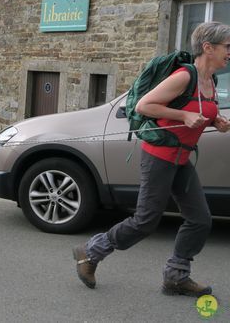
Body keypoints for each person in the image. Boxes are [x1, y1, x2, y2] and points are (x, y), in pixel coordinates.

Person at [73, 21, 230, 297]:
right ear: (209, 48)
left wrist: (213, 121)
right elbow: (146, 105)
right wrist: (184, 116)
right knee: (145, 221)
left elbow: (194, 112)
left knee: (200, 219)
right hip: (159, 158)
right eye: (227, 47)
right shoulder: (185, 76)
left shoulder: (211, 81)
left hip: (181, 160)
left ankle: (176, 276)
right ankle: (90, 252)